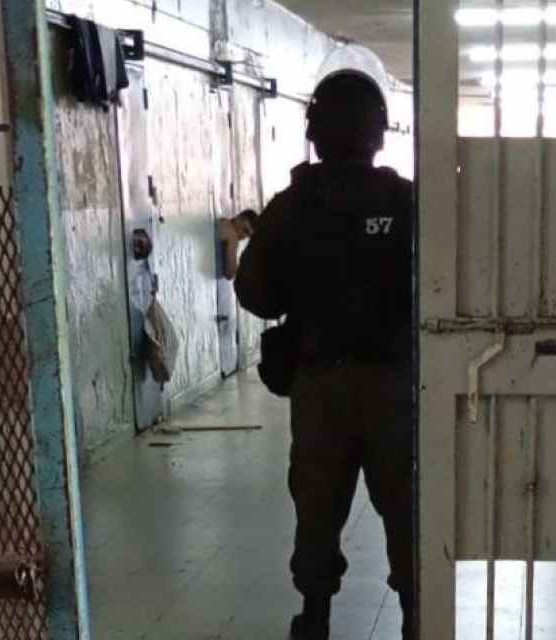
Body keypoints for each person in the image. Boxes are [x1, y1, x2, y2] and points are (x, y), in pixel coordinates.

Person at [234, 70, 414, 640]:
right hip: (395, 383)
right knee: (406, 500)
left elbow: (254, 294)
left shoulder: (291, 207)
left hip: (319, 384)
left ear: (314, 131)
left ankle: (315, 616)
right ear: (378, 134)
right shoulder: (408, 201)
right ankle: (416, 615)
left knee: (317, 500)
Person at [217, 209, 257, 280]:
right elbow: (230, 274)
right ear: (238, 218)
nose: (243, 235)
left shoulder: (220, 222)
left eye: (248, 235)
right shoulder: (232, 236)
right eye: (245, 230)